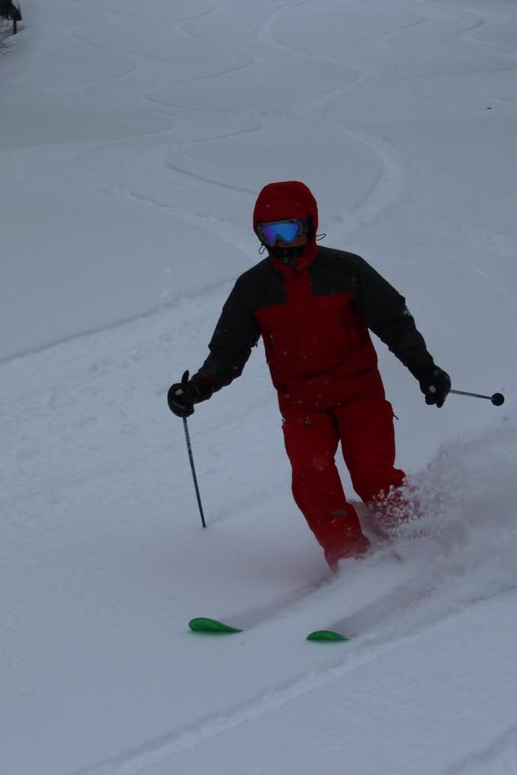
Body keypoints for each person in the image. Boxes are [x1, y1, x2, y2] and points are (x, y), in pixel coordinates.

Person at [167, 180, 452, 572]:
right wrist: (200, 387)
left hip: (360, 394)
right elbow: (228, 352)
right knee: (311, 479)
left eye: (289, 230)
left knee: (372, 474)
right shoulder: (254, 288)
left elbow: (394, 322)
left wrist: (425, 369)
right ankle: (350, 556)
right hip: (302, 404)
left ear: (310, 225)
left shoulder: (347, 270)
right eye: (270, 233)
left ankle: (418, 534)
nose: (281, 243)